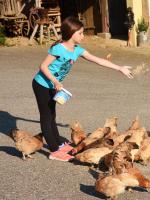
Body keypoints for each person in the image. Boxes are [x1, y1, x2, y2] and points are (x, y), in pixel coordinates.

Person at [32, 16, 133, 162]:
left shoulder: (77, 50)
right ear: (71, 33)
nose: (83, 36)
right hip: (41, 84)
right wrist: (55, 81)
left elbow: (98, 60)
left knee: (52, 115)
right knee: (46, 117)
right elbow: (43, 66)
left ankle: (59, 143)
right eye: (80, 33)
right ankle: (54, 150)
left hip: (54, 85)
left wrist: (119, 68)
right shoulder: (58, 48)